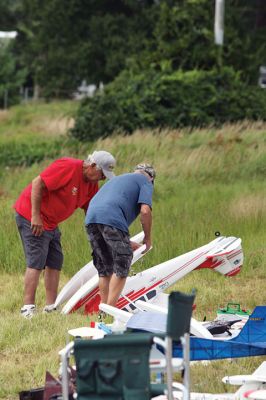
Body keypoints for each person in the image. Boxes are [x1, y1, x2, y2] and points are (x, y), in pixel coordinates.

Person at [14, 150, 116, 318]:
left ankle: (50, 306)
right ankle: (28, 308)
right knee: (36, 261)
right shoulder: (68, 166)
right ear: (91, 166)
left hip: (51, 222)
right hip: (31, 215)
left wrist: (102, 237)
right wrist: (35, 215)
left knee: (55, 261)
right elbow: (37, 183)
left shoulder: (91, 184)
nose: (103, 178)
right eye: (102, 174)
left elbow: (91, 211)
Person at [85, 163, 156, 308]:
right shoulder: (145, 182)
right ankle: (109, 311)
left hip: (91, 218)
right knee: (123, 261)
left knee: (105, 267)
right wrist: (147, 238)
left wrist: (126, 242)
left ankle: (103, 309)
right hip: (111, 218)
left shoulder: (119, 179)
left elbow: (107, 222)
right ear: (152, 179)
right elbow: (145, 211)